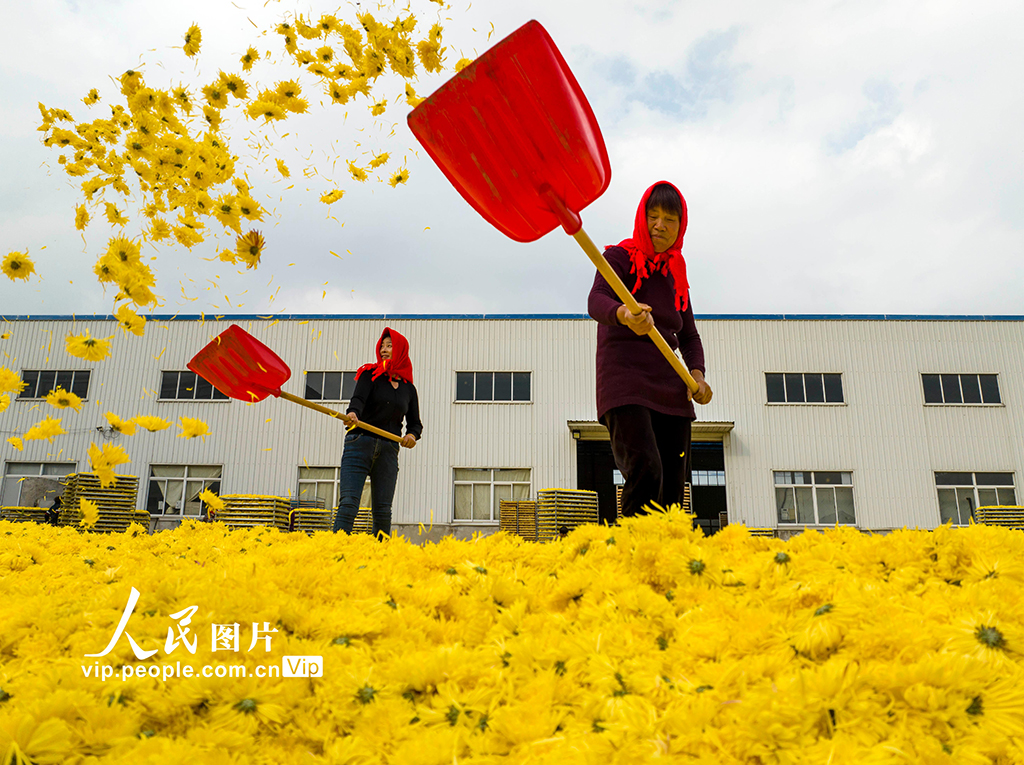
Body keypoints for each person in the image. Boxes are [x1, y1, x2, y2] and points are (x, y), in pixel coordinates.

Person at [588, 181, 713, 521]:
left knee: (673, 488)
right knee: (647, 470)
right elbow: (596, 300)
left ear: (680, 227)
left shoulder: (676, 274)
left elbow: (689, 337)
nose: (660, 225)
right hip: (625, 383)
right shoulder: (619, 257)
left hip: (672, 391)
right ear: (641, 218)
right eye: (652, 215)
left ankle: (665, 563)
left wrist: (697, 377)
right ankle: (634, 558)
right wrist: (625, 315)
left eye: (669, 219)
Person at [333, 328, 422, 537]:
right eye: (382, 345)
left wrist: (411, 436)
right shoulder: (369, 374)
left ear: (400, 350)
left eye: (389, 345)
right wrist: (353, 413)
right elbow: (358, 401)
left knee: (383, 510)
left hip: (389, 450)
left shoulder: (409, 389)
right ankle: (335, 552)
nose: (383, 349)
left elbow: (415, 424)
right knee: (349, 503)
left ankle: (381, 558)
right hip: (360, 443)